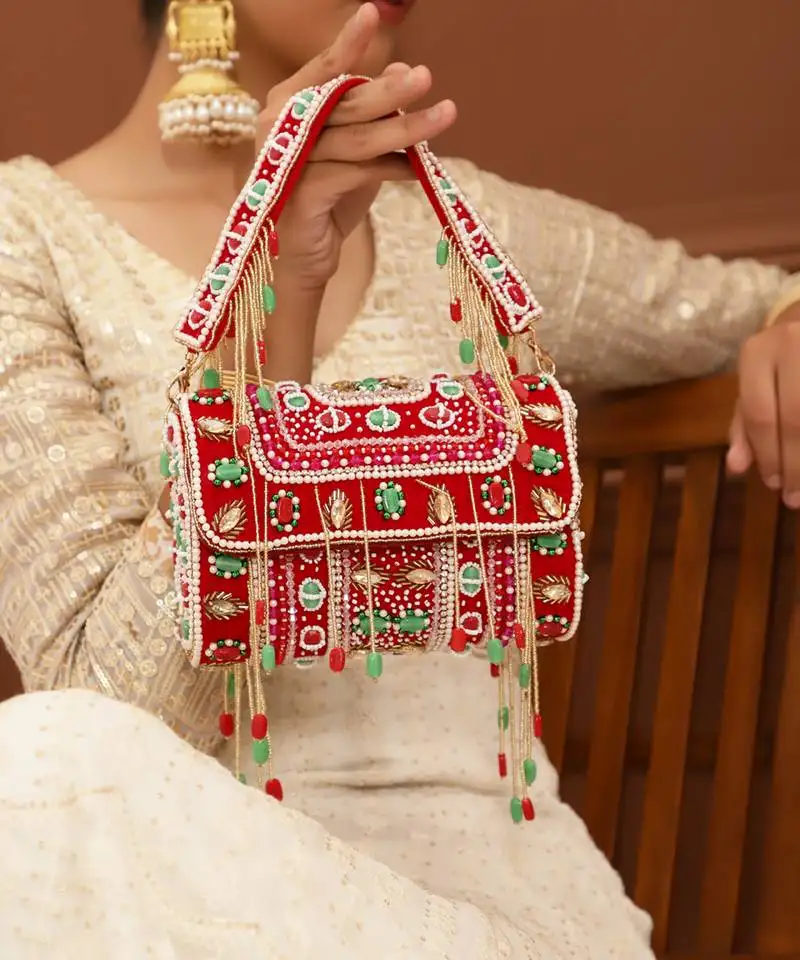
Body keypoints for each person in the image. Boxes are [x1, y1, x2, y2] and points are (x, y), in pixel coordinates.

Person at [0, 1, 798, 956]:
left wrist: (789, 328)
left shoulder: (463, 226)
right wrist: (271, 300)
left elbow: (761, 297)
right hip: (188, 898)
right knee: (39, 759)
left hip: (497, 909)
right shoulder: (24, 241)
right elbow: (108, 728)